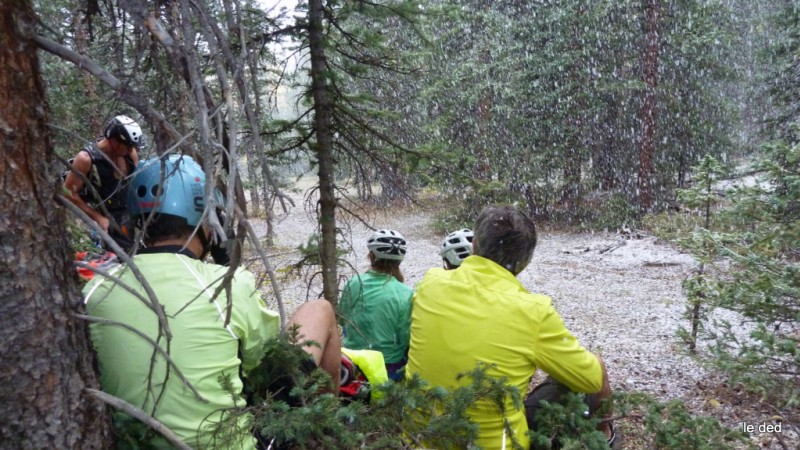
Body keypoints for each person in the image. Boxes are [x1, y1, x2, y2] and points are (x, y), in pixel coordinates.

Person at [83, 154, 341, 449]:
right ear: (206, 220)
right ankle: (328, 432)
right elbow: (267, 363)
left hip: (132, 440)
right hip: (230, 443)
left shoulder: (97, 287)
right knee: (318, 310)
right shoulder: (227, 285)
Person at [406, 205, 615, 450]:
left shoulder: (430, 282)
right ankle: (607, 437)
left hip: (416, 438)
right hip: (497, 445)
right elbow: (590, 380)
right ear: (525, 261)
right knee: (592, 369)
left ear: (475, 245)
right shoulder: (534, 310)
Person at [338, 229, 413, 381]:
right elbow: (406, 337)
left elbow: (342, 319)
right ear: (399, 261)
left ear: (371, 256)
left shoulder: (354, 282)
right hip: (388, 365)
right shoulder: (405, 293)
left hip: (353, 360)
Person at [63, 115, 144, 252]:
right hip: (100, 215)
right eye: (129, 147)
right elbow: (68, 192)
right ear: (114, 142)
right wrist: (98, 218)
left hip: (127, 212)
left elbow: (136, 181)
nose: (131, 151)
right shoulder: (86, 159)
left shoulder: (130, 155)